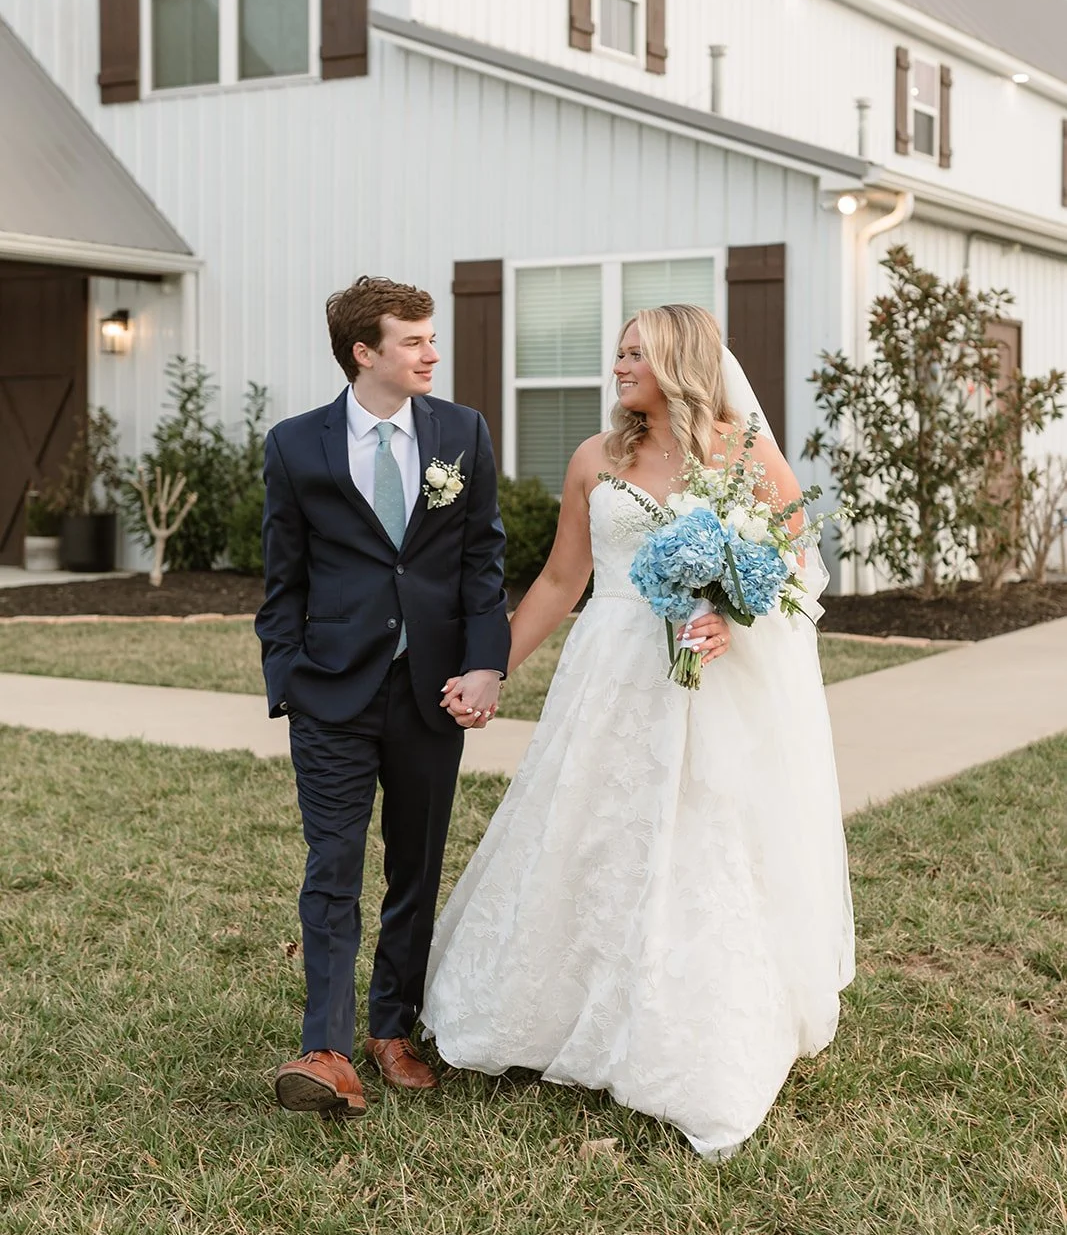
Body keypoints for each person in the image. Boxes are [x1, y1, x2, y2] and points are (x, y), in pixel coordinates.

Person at [424, 303, 855, 1159]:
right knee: (591, 831)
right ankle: (553, 1014)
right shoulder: (595, 457)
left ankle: (692, 1039)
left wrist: (731, 614)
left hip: (708, 684)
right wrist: (491, 667)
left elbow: (796, 568)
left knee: (702, 841)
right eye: (617, 353)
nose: (617, 367)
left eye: (634, 354)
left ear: (679, 361)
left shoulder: (741, 452)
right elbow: (560, 581)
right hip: (610, 671)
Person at [257, 275, 509, 1120]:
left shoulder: (461, 432)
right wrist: (289, 680)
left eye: (431, 337)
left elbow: (481, 561)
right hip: (331, 691)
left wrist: (485, 665)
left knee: (415, 865)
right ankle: (325, 1049)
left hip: (430, 689)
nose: (431, 352)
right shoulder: (297, 445)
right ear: (364, 352)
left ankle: (391, 1028)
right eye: (413, 340)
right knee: (332, 867)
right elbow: (282, 578)